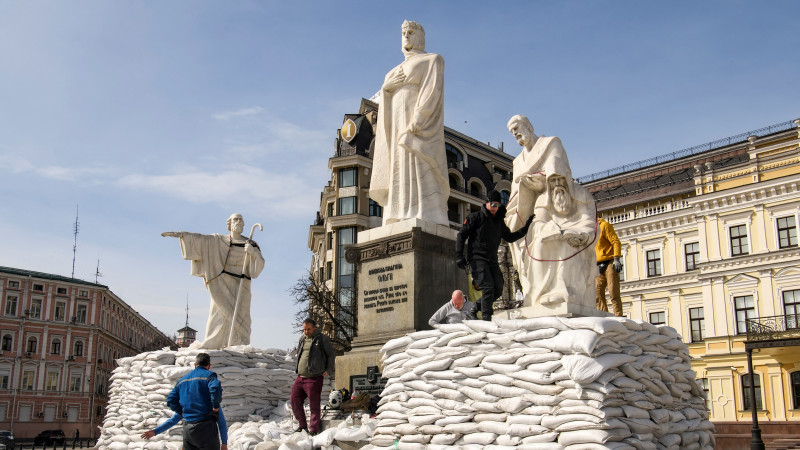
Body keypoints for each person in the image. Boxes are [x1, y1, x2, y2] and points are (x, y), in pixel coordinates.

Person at [370, 20, 450, 226]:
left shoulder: (432, 60)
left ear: (420, 36)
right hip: (396, 121)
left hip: (416, 124)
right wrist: (386, 89)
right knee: (398, 164)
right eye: (403, 32)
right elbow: (384, 100)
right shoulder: (391, 72)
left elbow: (432, 92)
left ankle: (427, 211)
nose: (406, 35)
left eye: (411, 32)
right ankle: (397, 210)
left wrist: (418, 121)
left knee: (418, 161)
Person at [163, 213, 265, 349]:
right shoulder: (219, 240)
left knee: (242, 316)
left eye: (241, 219)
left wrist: (253, 253)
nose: (239, 222)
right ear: (229, 224)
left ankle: (239, 343)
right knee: (218, 313)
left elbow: (257, 269)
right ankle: (214, 343)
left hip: (242, 284)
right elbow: (202, 240)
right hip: (222, 283)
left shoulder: (251, 244)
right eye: (235, 219)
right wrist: (183, 235)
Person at [504, 115, 572, 297]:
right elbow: (514, 192)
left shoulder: (551, 144)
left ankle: (547, 289)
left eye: (517, 128)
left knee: (540, 235)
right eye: (512, 132)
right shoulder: (517, 162)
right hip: (525, 209)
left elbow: (557, 174)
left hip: (549, 201)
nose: (515, 133)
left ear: (529, 126)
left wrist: (539, 181)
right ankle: (533, 290)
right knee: (516, 234)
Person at [456, 190, 533, 321]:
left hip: (492, 260)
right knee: (488, 287)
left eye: (497, 205)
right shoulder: (475, 217)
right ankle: (486, 318)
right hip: (477, 258)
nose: (494, 208)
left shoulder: (498, 223)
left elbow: (509, 237)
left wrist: (526, 228)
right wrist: (459, 255)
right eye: (492, 204)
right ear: (486, 203)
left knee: (498, 289)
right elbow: (461, 235)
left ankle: (474, 309)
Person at [527, 174, 596, 308]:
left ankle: (566, 291)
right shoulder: (543, 199)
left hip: (576, 235)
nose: (558, 184)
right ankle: (542, 292)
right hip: (551, 234)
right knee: (539, 243)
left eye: (561, 179)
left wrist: (581, 234)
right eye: (553, 180)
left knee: (568, 245)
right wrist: (548, 228)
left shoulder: (581, 193)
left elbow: (589, 222)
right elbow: (537, 222)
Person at [166, 353, 223, 450]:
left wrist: (182, 412)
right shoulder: (209, 376)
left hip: (188, 428)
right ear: (209, 366)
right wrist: (215, 407)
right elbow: (215, 388)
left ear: (195, 365)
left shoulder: (182, 380)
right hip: (206, 427)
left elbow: (170, 400)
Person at [291, 318, 335, 435]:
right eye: (304, 329)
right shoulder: (302, 338)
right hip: (300, 377)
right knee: (294, 400)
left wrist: (328, 369)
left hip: (314, 378)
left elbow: (331, 355)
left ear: (314, 327)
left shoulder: (322, 339)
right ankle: (302, 426)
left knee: (314, 405)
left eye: (308, 329)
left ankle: (314, 430)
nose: (306, 332)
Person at [140, 408, 228, 450]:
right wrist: (224, 443)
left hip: (190, 436)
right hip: (207, 438)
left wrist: (156, 431)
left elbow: (173, 420)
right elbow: (222, 423)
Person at [595, 215, 623, 316]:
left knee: (613, 292)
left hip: (610, 262)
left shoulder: (604, 226)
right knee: (597, 293)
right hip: (597, 265)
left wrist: (616, 258)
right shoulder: (589, 231)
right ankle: (604, 316)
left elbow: (616, 242)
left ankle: (618, 316)